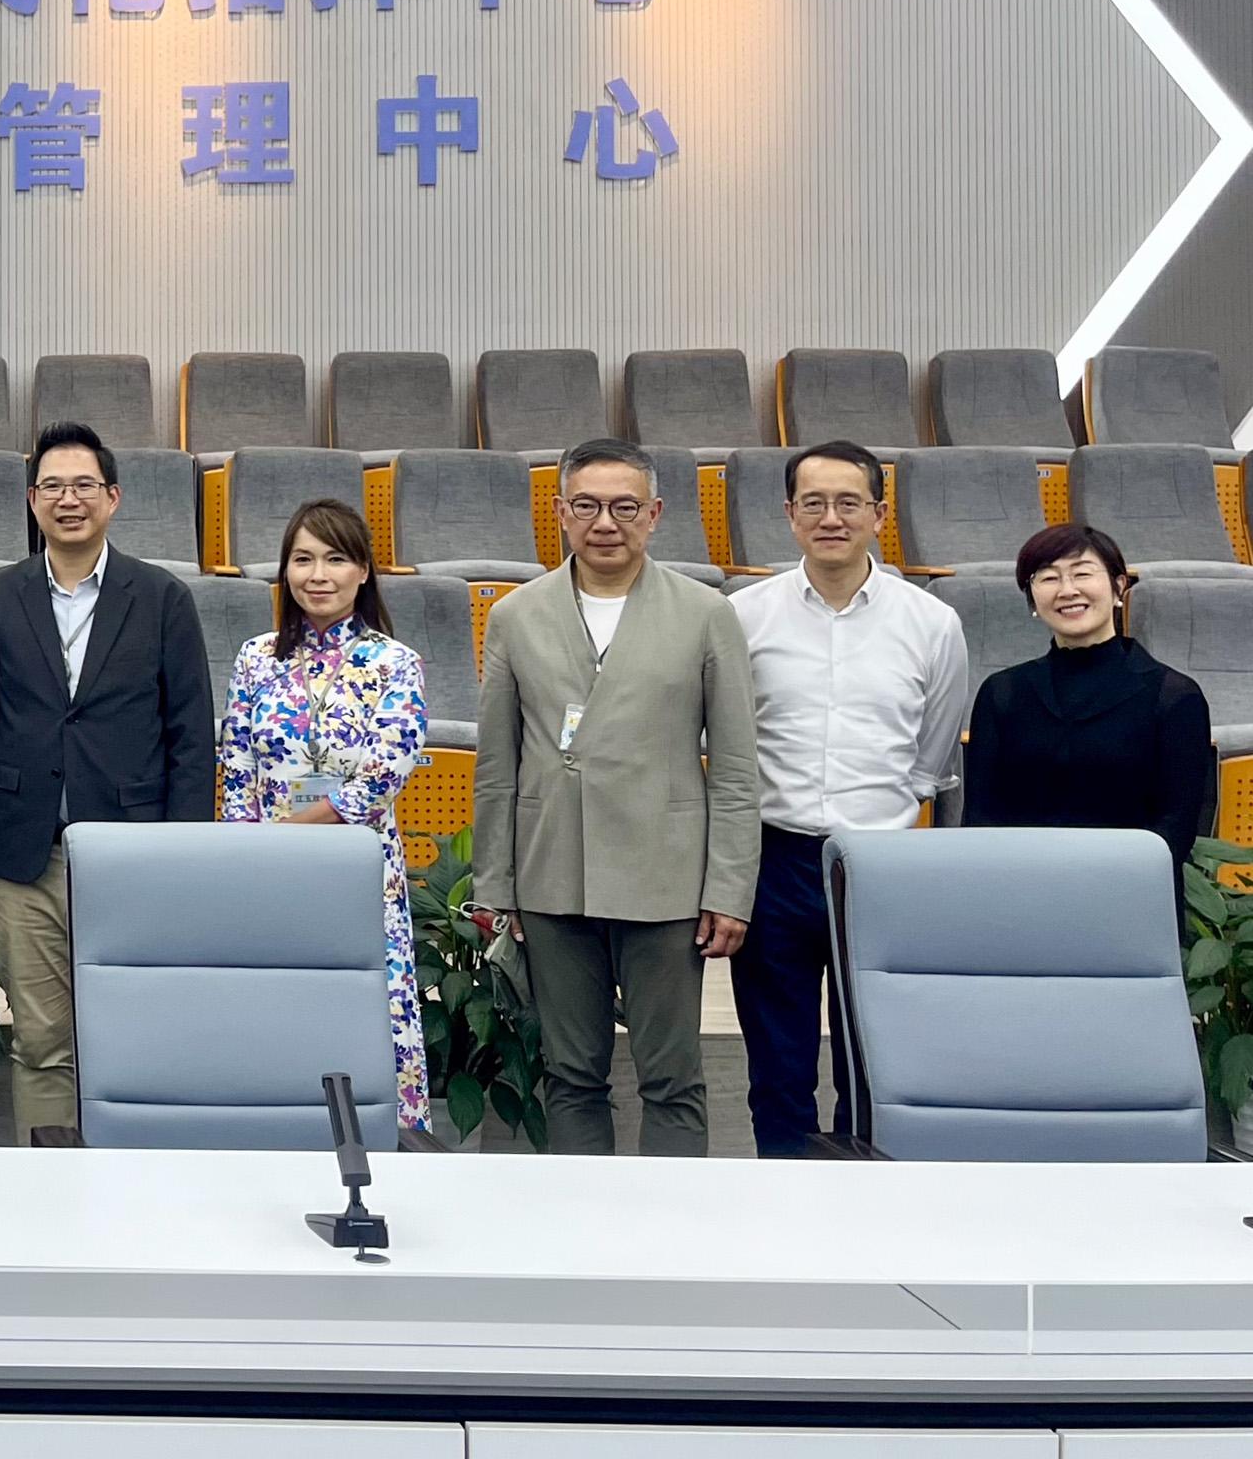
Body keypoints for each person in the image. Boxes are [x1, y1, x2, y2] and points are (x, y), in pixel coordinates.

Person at [472, 437, 759, 1158]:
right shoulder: (516, 614)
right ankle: (582, 1242)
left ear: (655, 514)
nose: (606, 522)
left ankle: (672, 1246)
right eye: (588, 506)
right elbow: (497, 768)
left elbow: (733, 765)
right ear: (561, 512)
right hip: (551, 876)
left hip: (666, 881)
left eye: (625, 507)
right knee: (570, 1076)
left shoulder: (704, 613)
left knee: (672, 1077)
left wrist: (729, 887)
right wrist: (493, 885)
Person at [0, 422, 214, 1143]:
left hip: (129, 849)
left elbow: (192, 732)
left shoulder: (161, 597)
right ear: (33, 500)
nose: (69, 500)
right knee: (39, 1037)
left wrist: (180, 846)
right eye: (53, 487)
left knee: (131, 1026)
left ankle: (133, 1186)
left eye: (84, 486)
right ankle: (50, 1191)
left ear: (113, 497)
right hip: (23, 850)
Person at [727, 441, 967, 1158]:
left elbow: (934, 752)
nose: (831, 518)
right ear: (789, 514)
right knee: (778, 1064)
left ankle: (874, 1215)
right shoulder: (742, 615)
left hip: (881, 865)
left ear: (879, 514)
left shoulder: (931, 623)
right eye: (814, 503)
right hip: (773, 858)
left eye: (849, 502)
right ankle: (786, 1209)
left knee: (879, 1059)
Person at [214, 498, 430, 1135]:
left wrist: (293, 834)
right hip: (266, 873)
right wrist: (246, 851)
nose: (318, 574)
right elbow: (236, 765)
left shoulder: (396, 662)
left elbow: (388, 768)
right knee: (274, 1006)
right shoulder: (256, 658)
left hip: (358, 872)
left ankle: (387, 1141)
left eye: (335, 558)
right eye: (302, 559)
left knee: (367, 1008)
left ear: (363, 570)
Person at [964, 522, 1213, 875]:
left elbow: (1176, 826)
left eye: (1082, 573)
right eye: (1048, 578)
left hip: (1130, 898)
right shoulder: (1002, 693)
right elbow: (979, 819)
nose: (1067, 590)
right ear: (1032, 598)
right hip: (1019, 895)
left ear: (1118, 587)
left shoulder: (1173, 696)